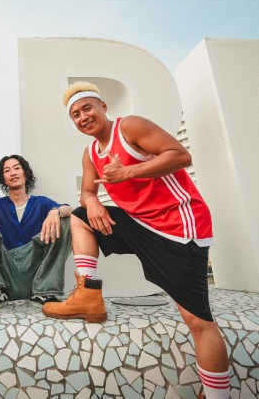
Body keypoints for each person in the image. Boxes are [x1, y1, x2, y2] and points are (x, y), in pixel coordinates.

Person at [43, 81, 231, 399]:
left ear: (103, 107)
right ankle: (88, 295)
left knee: (197, 320)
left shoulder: (129, 126)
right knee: (80, 216)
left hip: (178, 227)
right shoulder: (91, 153)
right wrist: (93, 201)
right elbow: (87, 190)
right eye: (75, 114)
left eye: (87, 108)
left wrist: (129, 172)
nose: (83, 117)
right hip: (143, 225)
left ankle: (217, 396)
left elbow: (181, 155)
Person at [0, 155, 73, 310]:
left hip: (36, 274)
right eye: (7, 170)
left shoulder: (41, 202)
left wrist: (55, 211)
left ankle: (45, 291)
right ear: (3, 179)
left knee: (66, 220)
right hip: (5, 273)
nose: (13, 173)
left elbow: (69, 209)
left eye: (17, 168)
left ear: (25, 173)